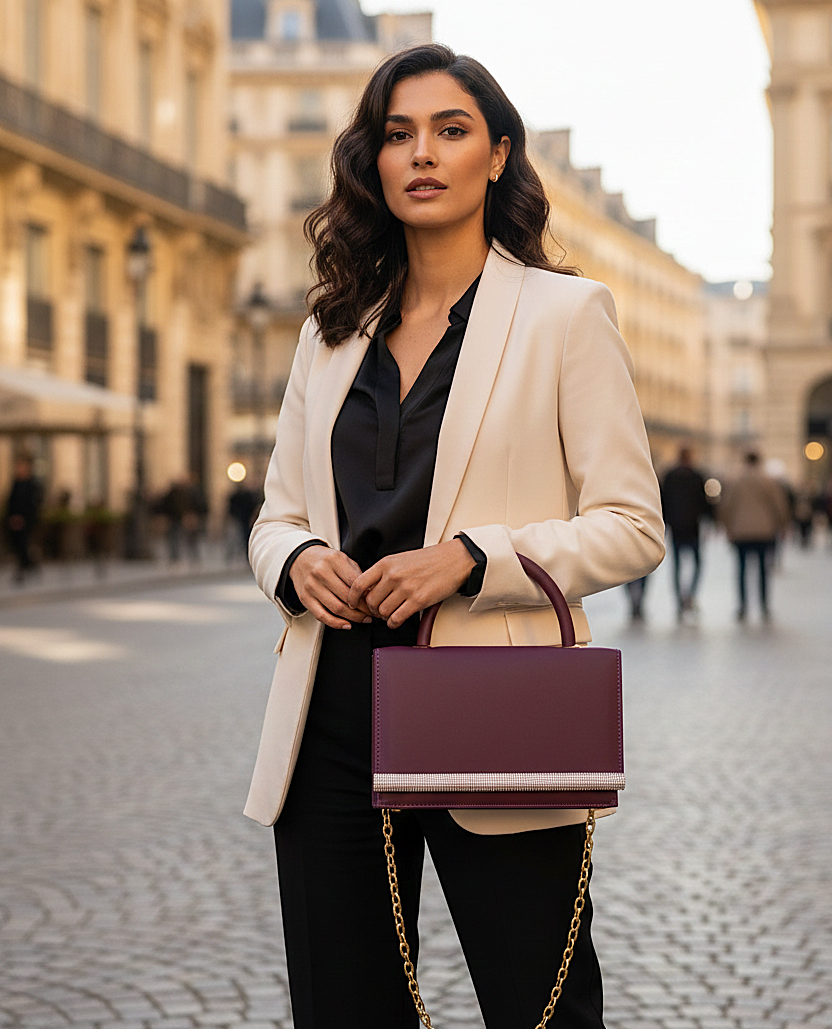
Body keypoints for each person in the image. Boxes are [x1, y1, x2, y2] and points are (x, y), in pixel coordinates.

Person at [245, 44, 665, 1029]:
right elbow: (275, 517)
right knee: (344, 1008)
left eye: (450, 130)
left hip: (491, 703)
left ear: (496, 155)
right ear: (372, 161)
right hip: (329, 713)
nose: (421, 154)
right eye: (397, 134)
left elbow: (632, 525)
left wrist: (475, 559)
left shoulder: (565, 315)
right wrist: (300, 561)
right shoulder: (329, 328)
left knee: (542, 1005)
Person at [719, 451, 790, 621]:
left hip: (741, 532)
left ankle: (743, 606)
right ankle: (764, 605)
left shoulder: (735, 481)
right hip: (764, 531)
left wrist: (727, 527)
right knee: (763, 570)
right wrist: (782, 526)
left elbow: (727, 506)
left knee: (742, 570)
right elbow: (779, 505)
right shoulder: (768, 481)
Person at [660, 446, 710, 618]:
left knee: (677, 566)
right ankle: (690, 594)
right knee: (697, 563)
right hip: (692, 527)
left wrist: (664, 524)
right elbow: (704, 503)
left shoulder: (670, 476)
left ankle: (680, 600)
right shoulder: (697, 476)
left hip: (676, 527)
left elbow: (663, 502)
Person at [3, 455, 42, 584]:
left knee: (23, 545)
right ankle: (31, 565)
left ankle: (22, 570)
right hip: (14, 520)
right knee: (16, 545)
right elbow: (11, 502)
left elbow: (33, 504)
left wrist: (24, 518)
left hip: (26, 520)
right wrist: (12, 517)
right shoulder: (15, 483)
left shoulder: (32, 484)